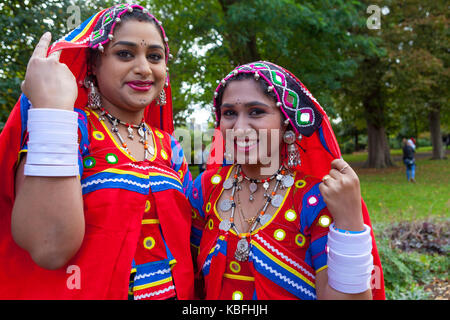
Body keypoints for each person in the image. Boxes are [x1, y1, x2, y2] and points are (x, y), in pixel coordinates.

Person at [0, 3, 194, 300]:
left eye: (154, 56)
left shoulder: (171, 149)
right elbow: (49, 248)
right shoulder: (69, 130)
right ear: (93, 64)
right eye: (124, 54)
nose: (143, 68)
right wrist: (52, 111)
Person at [189, 61, 385, 300]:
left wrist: (351, 225)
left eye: (256, 112)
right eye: (229, 113)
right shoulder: (206, 188)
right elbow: (191, 283)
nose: (239, 128)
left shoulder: (314, 200)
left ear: (286, 123)